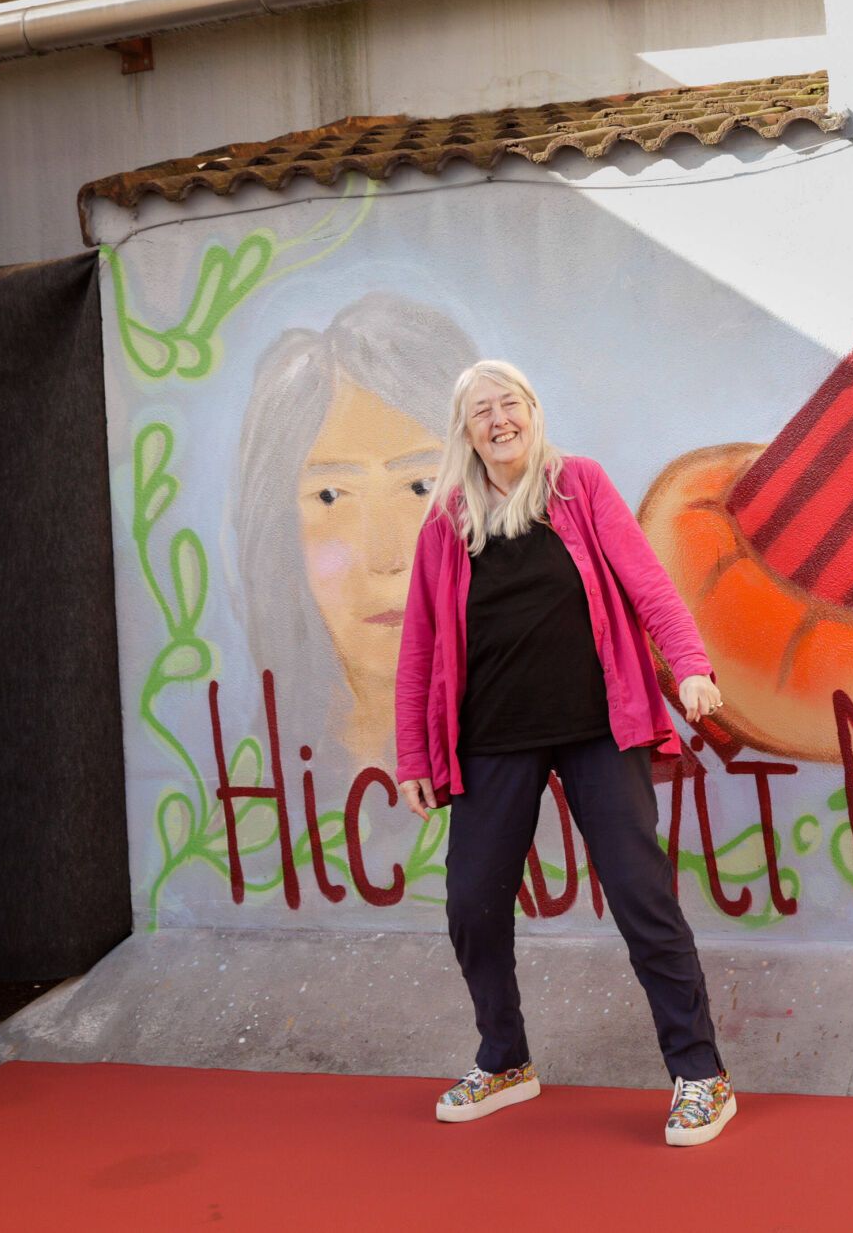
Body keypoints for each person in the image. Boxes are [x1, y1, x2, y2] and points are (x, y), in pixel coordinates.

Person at [393, 360, 737, 1147]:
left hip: (595, 726)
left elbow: (648, 583)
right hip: (491, 741)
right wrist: (414, 751)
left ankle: (700, 1076)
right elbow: (419, 645)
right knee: (473, 904)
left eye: (508, 403)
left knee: (641, 897)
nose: (498, 419)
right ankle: (505, 1059)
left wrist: (689, 664)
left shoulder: (577, 485)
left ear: (533, 411)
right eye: (481, 410)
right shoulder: (447, 521)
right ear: (465, 430)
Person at [233, 293, 477, 772]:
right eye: (331, 496)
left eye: (420, 486)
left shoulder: (557, 785)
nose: (385, 557)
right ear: (283, 535)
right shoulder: (258, 794)